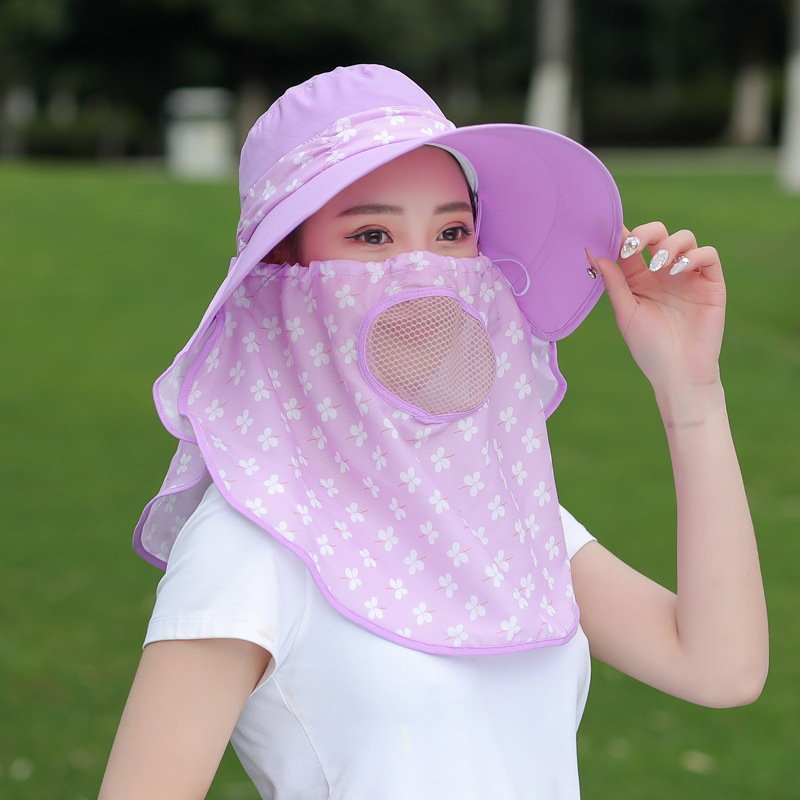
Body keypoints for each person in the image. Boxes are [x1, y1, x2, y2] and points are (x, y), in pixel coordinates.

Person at [99, 64, 768, 800]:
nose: (422, 271)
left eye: (452, 232)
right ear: (283, 269)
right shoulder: (253, 539)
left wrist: (690, 390)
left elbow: (721, 669)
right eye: (372, 235)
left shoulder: (496, 506)